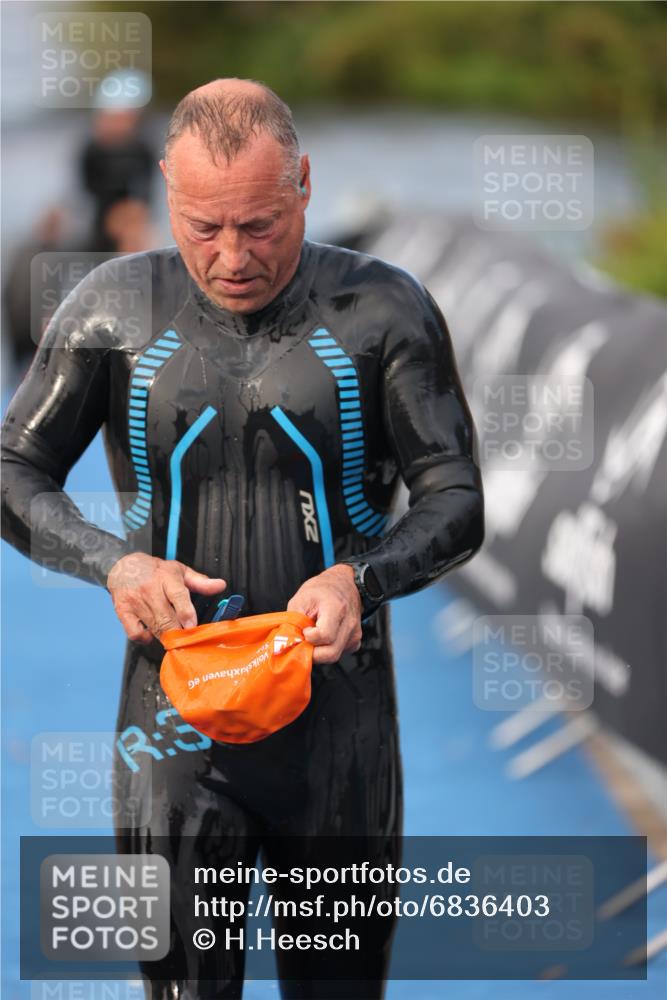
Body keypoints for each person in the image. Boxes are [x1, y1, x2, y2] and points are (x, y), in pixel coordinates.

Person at [1, 79, 483, 998]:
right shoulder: (112, 309)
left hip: (337, 731)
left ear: (303, 183)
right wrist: (114, 564)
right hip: (171, 734)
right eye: (202, 226)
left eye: (259, 225)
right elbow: (12, 468)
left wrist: (360, 580)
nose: (231, 257)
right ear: (165, 189)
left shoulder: (383, 310)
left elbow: (454, 499)